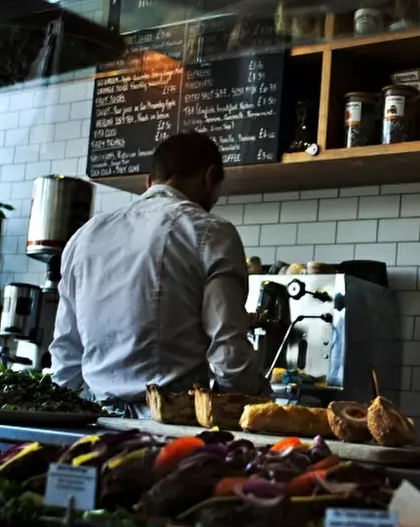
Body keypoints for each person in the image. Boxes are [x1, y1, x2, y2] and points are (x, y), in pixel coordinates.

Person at [50, 131, 270, 417]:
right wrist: (261, 401)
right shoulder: (211, 232)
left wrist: (62, 418)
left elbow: (66, 350)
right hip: (172, 424)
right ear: (210, 176)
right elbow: (227, 351)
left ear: (149, 181)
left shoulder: (85, 236)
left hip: (97, 420)